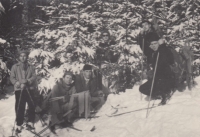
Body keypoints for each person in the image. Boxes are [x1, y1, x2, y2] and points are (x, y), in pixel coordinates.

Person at [10, 49, 39, 133]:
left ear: (27, 57)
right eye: (21, 56)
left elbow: (34, 77)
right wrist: (18, 83)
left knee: (31, 105)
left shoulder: (31, 66)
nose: (23, 58)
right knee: (20, 106)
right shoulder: (15, 67)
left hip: (29, 89)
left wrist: (28, 81)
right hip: (19, 89)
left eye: (24, 56)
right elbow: (12, 78)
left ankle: (30, 121)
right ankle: (19, 123)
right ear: (19, 57)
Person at [139, 40, 175, 105]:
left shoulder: (165, 51)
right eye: (151, 44)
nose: (153, 45)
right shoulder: (153, 53)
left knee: (162, 82)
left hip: (166, 77)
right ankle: (159, 94)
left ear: (159, 44)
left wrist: (163, 46)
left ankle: (166, 93)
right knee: (142, 88)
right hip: (157, 78)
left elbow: (170, 60)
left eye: (155, 43)